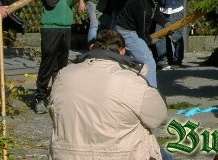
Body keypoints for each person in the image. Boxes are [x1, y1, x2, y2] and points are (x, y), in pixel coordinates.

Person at [48, 29, 171, 160]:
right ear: (123, 51)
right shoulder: (131, 81)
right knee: (164, 155)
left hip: (66, 155)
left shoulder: (64, 75)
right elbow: (158, 118)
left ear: (91, 47)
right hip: (120, 155)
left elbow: (53, 111)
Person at [34, 0, 80, 114]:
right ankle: (39, 97)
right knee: (48, 62)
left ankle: (57, 97)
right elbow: (50, 2)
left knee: (61, 66)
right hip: (51, 26)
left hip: (65, 26)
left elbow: (70, 3)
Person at [115, 0, 165, 88]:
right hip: (128, 32)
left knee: (133, 65)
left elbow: (156, 13)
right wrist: (150, 40)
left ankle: (134, 89)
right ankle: (151, 93)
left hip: (133, 31)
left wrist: (166, 23)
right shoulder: (140, 4)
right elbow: (142, 30)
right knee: (148, 62)